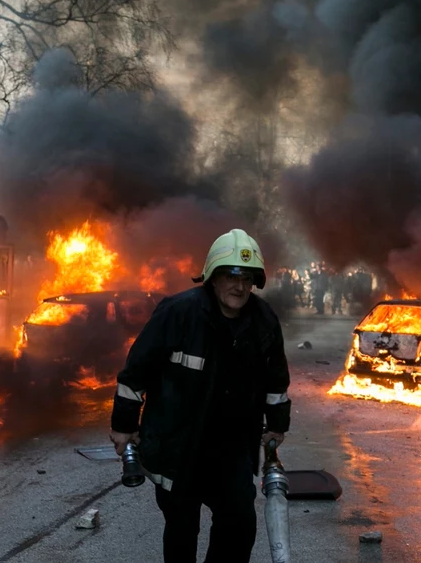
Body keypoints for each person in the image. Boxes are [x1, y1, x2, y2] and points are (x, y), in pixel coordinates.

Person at [110, 228, 291, 563]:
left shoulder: (263, 321)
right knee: (181, 531)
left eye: (248, 278)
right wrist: (124, 425)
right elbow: (136, 372)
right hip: (179, 446)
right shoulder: (178, 313)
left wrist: (278, 424)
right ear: (212, 276)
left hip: (232, 448)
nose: (240, 287)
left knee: (239, 525)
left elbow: (276, 381)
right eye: (231, 275)